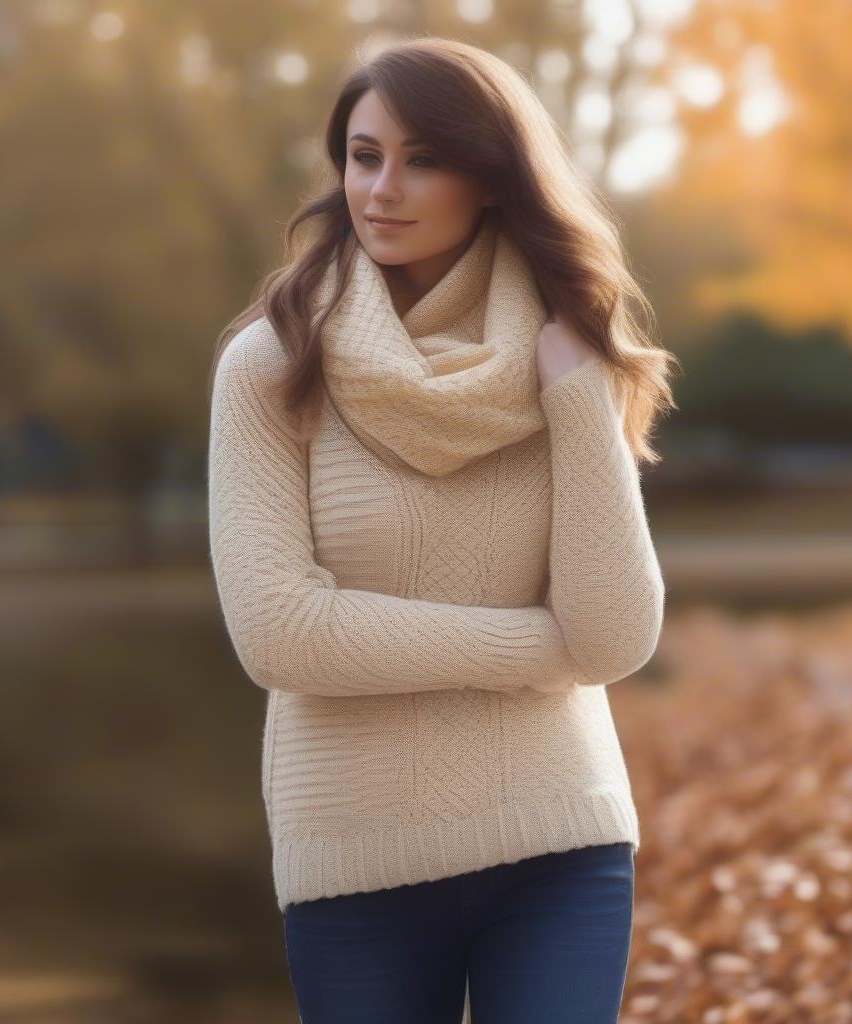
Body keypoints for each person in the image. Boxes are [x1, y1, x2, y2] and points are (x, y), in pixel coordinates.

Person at [206, 34, 677, 1024]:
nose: (382, 187)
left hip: (560, 837)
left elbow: (618, 637)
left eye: (424, 158)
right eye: (365, 153)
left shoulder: (572, 356)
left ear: (492, 178)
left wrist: (581, 401)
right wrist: (540, 648)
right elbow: (281, 633)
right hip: (356, 862)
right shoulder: (268, 365)